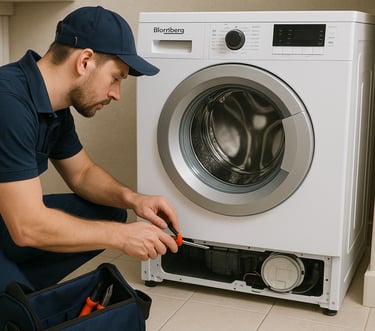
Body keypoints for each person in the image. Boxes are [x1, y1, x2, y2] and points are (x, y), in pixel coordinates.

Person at [0, 6, 179, 291]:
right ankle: (16, 297)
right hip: (17, 224)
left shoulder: (55, 108)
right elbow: (27, 227)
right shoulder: (8, 101)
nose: (116, 94)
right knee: (21, 316)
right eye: (116, 77)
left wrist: (135, 200)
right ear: (85, 61)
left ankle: (20, 291)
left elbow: (82, 174)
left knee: (112, 212)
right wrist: (121, 237)